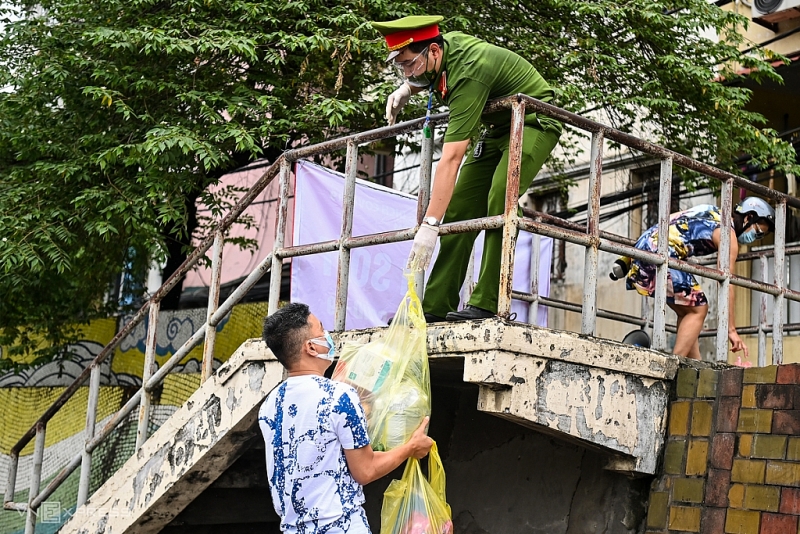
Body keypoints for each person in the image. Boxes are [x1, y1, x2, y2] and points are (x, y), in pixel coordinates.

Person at [371, 15, 562, 321]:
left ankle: (487, 302)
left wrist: (430, 224)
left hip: (533, 122)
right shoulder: (443, 51)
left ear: (433, 50)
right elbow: (431, 72)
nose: (407, 71)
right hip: (498, 127)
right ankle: (433, 307)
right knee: (460, 209)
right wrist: (409, 87)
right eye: (401, 66)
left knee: (501, 197)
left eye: (409, 64)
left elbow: (451, 158)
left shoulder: (470, 71)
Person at [258, 303, 433, 533]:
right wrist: (411, 447)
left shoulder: (269, 406)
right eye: (322, 331)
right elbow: (365, 470)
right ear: (310, 347)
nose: (327, 337)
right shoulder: (339, 395)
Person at [612, 197, 775, 360]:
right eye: (758, 233)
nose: (754, 238)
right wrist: (731, 329)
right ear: (748, 217)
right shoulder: (728, 235)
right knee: (699, 309)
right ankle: (671, 366)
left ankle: (694, 365)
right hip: (661, 254)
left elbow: (670, 219)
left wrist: (628, 256)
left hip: (645, 247)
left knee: (689, 311)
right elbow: (726, 283)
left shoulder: (711, 211)